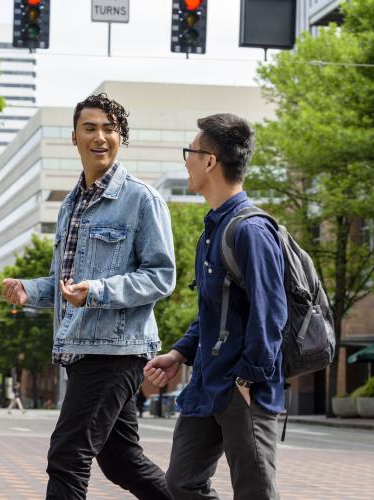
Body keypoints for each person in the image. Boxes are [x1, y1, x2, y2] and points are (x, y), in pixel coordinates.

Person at [2, 93, 176, 500]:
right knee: (120, 460)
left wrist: (97, 292)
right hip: (79, 348)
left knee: (68, 456)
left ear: (121, 137)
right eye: (91, 128)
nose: (101, 136)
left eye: (110, 129)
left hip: (116, 350)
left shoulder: (141, 200)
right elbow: (63, 284)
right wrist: (28, 289)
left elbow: (161, 277)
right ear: (74, 138)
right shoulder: (71, 205)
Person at [144, 113, 287, 500]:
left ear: (209, 161)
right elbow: (212, 310)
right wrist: (178, 354)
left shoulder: (251, 230)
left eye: (190, 152)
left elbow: (271, 312)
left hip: (242, 385)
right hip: (208, 379)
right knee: (182, 482)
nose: (185, 161)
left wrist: (249, 376)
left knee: (254, 491)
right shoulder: (214, 229)